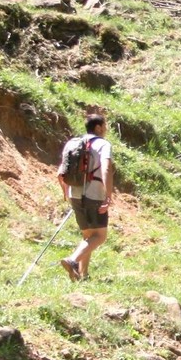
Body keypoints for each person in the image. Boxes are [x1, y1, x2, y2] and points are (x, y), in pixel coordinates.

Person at [58, 114, 114, 281]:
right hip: (94, 194)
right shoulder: (103, 144)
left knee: (88, 236)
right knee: (100, 236)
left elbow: (61, 172)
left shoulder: (73, 143)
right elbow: (106, 169)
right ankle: (72, 260)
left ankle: (83, 274)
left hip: (74, 193)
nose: (106, 129)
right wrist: (108, 195)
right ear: (98, 127)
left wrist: (66, 193)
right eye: (105, 126)